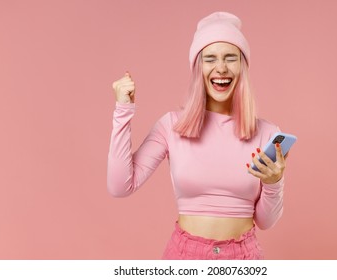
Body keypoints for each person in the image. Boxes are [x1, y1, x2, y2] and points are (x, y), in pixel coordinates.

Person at [107, 12, 290, 260]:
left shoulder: (268, 134)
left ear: (243, 66)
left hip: (244, 259)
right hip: (184, 257)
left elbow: (266, 221)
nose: (221, 68)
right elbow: (120, 186)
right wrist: (123, 111)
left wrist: (274, 182)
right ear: (197, 67)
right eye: (210, 58)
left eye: (230, 58)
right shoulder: (172, 126)